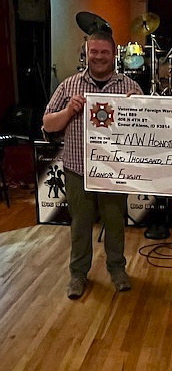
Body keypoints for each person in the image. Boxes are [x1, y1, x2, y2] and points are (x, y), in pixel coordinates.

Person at [43, 30, 143, 299]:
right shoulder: (69, 85)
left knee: (115, 222)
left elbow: (148, 130)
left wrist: (139, 108)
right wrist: (69, 111)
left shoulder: (129, 88)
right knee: (80, 224)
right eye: (93, 52)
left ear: (114, 55)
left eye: (104, 52)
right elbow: (47, 124)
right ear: (86, 53)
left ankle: (117, 268)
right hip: (78, 168)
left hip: (114, 169)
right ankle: (78, 274)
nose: (98, 57)